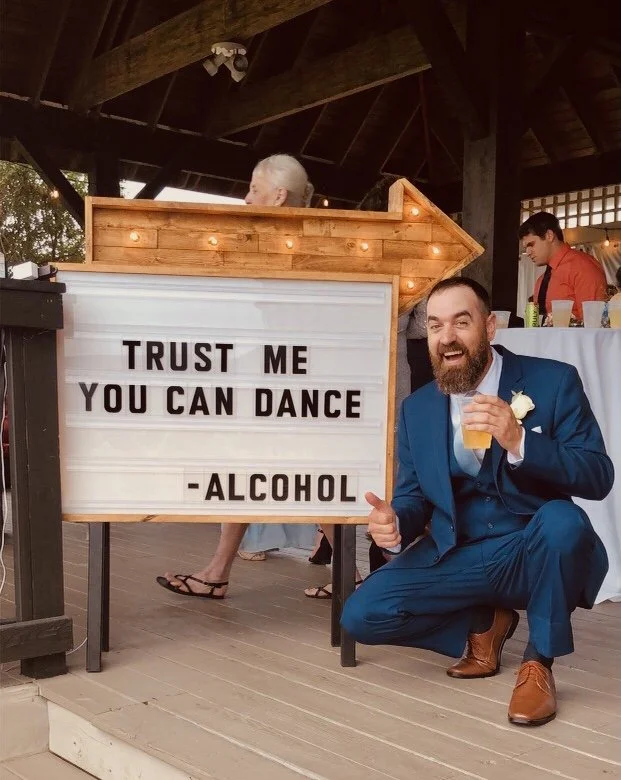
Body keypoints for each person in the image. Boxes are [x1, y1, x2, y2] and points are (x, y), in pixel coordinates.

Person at [341, 276, 613, 727]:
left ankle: (537, 664)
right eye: (434, 326)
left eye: (460, 322)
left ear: (488, 328)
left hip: (530, 548)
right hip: (458, 552)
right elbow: (413, 498)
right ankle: (482, 625)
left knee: (564, 521)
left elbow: (598, 477)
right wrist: (395, 523)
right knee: (362, 615)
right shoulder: (417, 408)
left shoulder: (552, 380)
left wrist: (520, 440)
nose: (446, 337)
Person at [157, 154, 319, 599]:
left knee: (308, 469)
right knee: (251, 467)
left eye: (253, 188)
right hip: (266, 374)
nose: (245, 198)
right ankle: (217, 571)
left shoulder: (296, 246)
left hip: (295, 377)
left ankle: (363, 574)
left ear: (278, 196)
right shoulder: (261, 242)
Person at [519, 211, 607, 322]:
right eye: (525, 247)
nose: (528, 252)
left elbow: (595, 323)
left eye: (531, 244)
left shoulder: (582, 267)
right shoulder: (541, 280)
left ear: (549, 236)